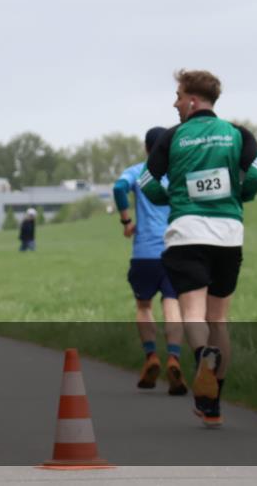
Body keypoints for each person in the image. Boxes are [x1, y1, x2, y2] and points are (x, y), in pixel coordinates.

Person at [140, 69, 257, 428]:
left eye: (179, 96)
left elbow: (147, 180)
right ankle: (212, 405)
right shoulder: (237, 134)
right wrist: (241, 195)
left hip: (187, 232)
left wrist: (171, 199)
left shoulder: (173, 136)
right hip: (228, 234)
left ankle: (202, 356)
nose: (175, 103)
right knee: (219, 318)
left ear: (193, 100)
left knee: (193, 312)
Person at [114, 128, 186, 395]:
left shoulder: (137, 171)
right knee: (172, 304)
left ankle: (151, 357)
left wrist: (126, 221)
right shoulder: (180, 171)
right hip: (176, 250)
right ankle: (174, 358)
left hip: (144, 253)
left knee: (144, 306)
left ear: (146, 148)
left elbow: (119, 188)